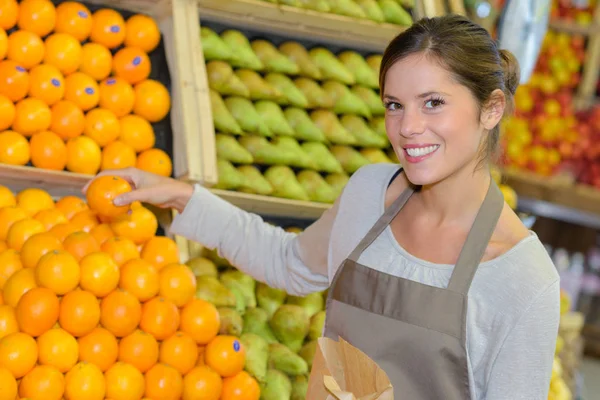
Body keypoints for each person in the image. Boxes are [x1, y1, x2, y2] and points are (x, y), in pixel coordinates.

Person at [84, 14, 560, 400]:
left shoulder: (521, 279)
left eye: (433, 102)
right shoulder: (370, 192)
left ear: (491, 109)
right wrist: (182, 196)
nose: (408, 127)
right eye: (394, 105)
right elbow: (291, 264)